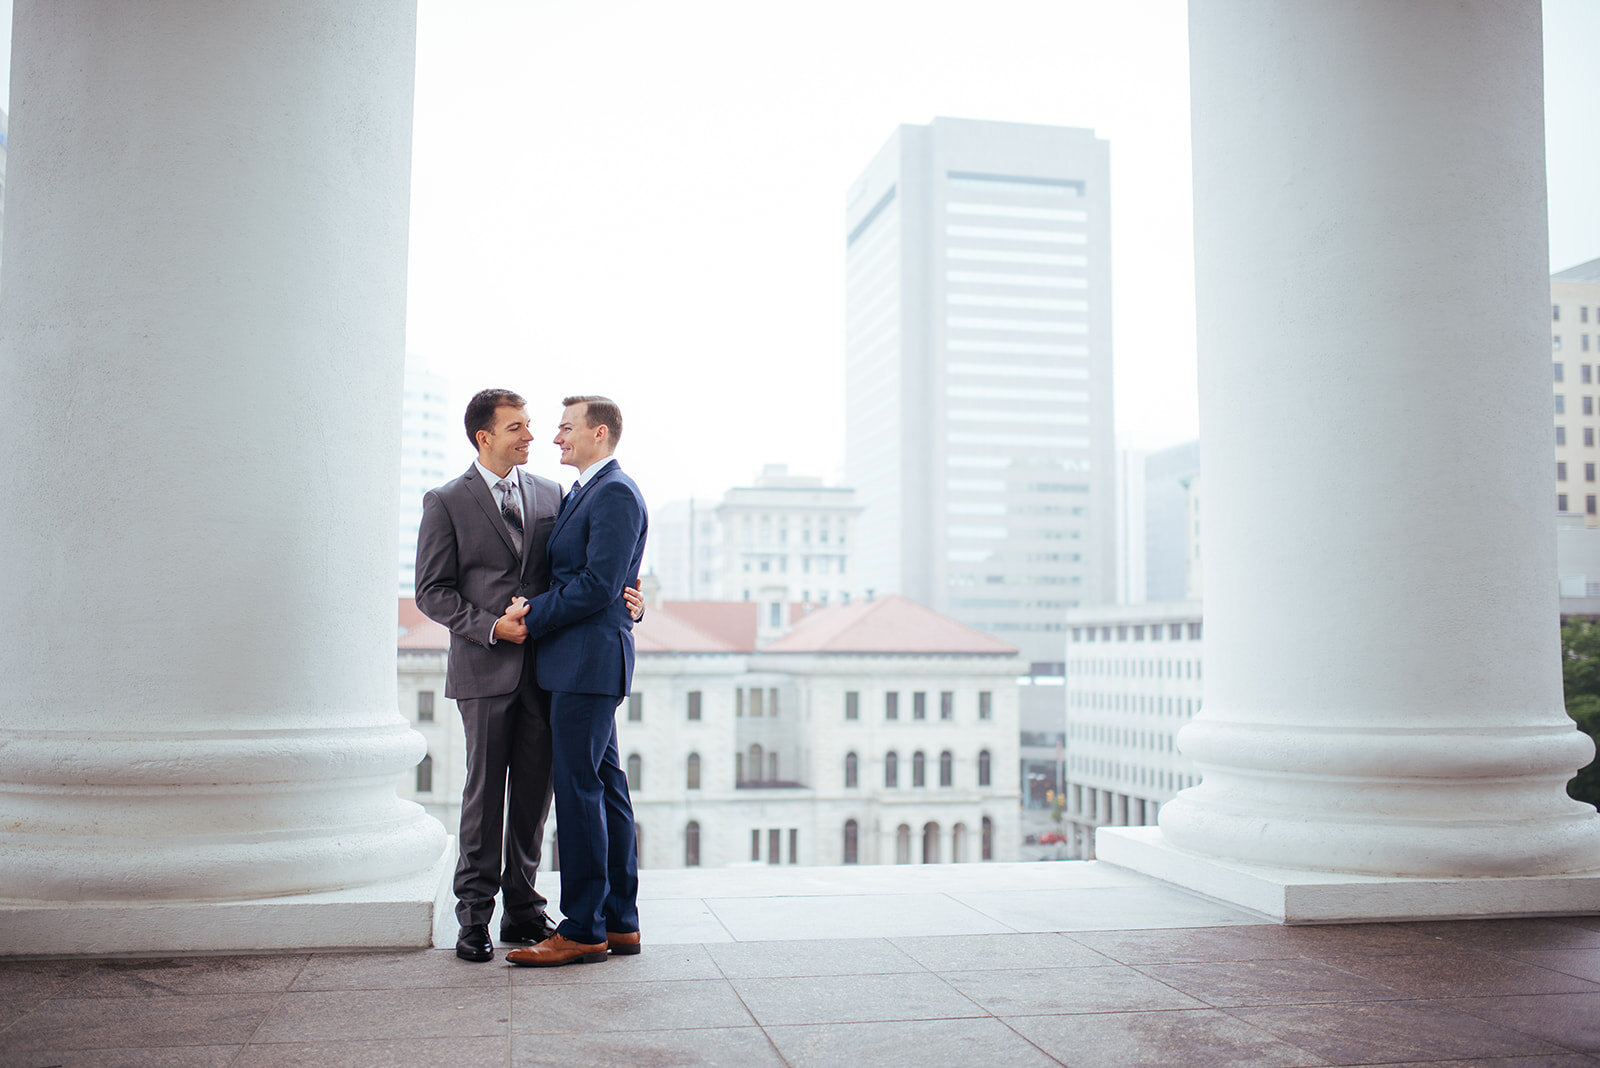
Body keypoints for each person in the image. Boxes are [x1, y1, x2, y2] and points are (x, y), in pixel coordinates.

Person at [414, 388, 642, 963]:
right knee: (484, 797)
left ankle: (525, 908)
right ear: (484, 436)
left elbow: (592, 570)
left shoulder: (554, 493)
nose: (535, 436)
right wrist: (494, 627)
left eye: (540, 425)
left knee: (542, 798)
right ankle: (474, 917)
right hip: (487, 668)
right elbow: (431, 592)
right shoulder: (445, 501)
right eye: (517, 427)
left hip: (551, 669)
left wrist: (624, 600)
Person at [505, 395, 649, 967]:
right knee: (606, 789)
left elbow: (597, 583)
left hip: (586, 663)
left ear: (600, 432)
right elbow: (612, 583)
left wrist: (532, 613)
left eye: (566, 428)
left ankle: (584, 927)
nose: (556, 437)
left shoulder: (613, 491)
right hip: (582, 661)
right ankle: (620, 923)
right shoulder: (586, 491)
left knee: (579, 792)